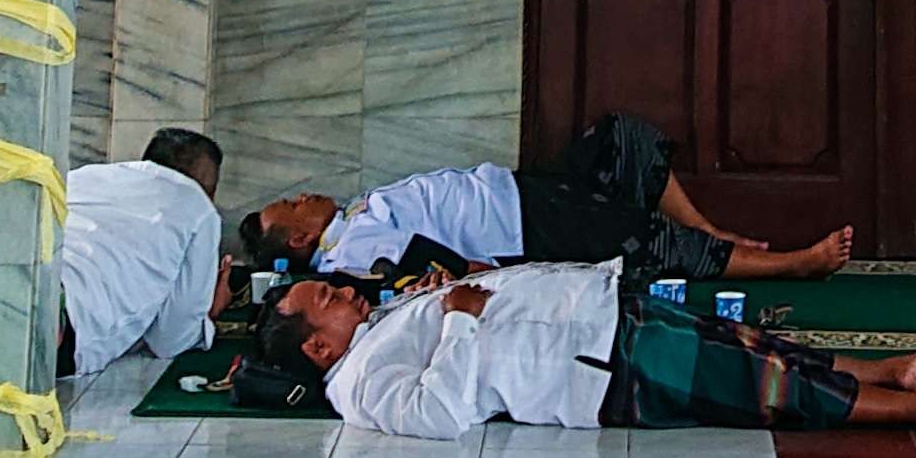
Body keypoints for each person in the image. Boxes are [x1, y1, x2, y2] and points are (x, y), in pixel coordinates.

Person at [266, 258, 916, 436]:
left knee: (755, 347)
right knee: (760, 386)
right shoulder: (357, 387)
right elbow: (437, 414)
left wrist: (447, 292)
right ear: (319, 352)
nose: (341, 293)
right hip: (593, 369)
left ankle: (891, 372)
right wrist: (457, 315)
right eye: (324, 304)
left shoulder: (379, 322)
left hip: (595, 312)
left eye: (329, 288)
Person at [241, 113, 849, 285]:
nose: (303, 197)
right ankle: (794, 264)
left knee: (619, 143)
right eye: (291, 206)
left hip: (520, 190)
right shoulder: (347, 248)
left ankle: (715, 233)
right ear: (298, 238)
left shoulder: (350, 215)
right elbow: (414, 259)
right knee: (646, 241)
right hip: (525, 229)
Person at [59, 125, 230, 375]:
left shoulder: (82, 176)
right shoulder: (198, 208)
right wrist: (211, 312)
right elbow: (170, 340)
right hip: (71, 322)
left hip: (30, 283)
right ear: (209, 187)